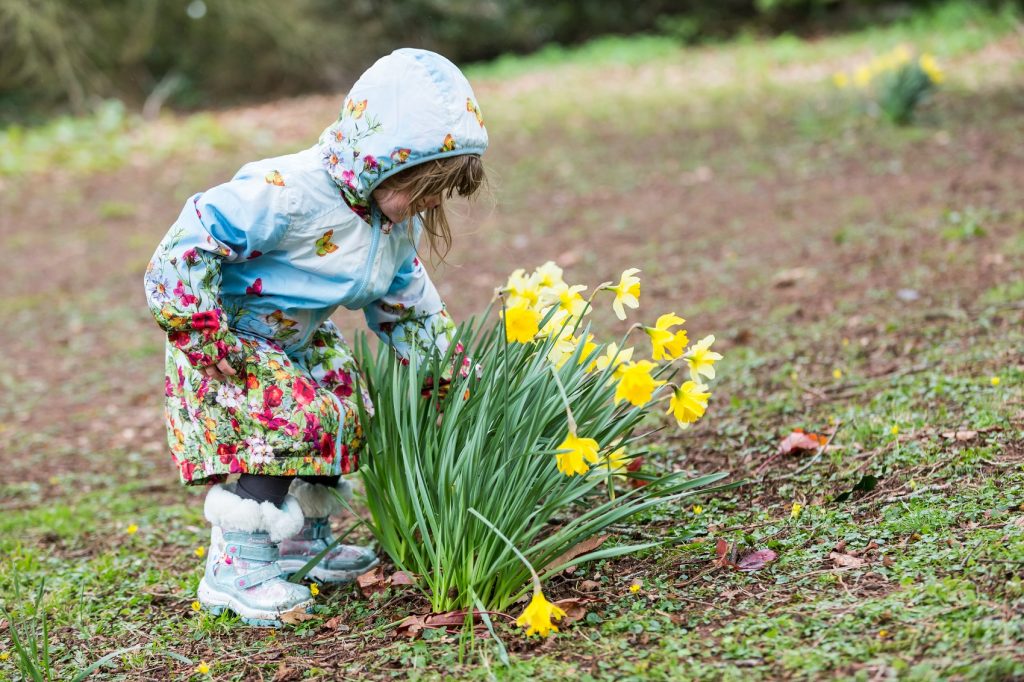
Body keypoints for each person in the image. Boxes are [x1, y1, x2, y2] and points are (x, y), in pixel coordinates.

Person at [144, 48, 488, 626]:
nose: (430, 205)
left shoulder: (393, 223)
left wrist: (442, 368)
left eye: (441, 193)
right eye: (424, 188)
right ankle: (237, 565)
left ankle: (302, 541)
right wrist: (198, 327)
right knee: (289, 419)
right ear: (378, 163)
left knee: (344, 404)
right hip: (230, 344)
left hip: (297, 340)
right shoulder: (289, 191)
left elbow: (408, 306)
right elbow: (191, 237)